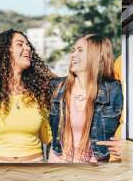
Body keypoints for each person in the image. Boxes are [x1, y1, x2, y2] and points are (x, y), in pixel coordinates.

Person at [0, 29, 54, 163]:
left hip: (34, 170)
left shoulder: (39, 92)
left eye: (28, 45)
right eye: (20, 44)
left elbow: (49, 137)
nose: (28, 48)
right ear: (6, 51)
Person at [48, 34, 123, 163]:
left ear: (98, 55)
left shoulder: (114, 90)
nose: (73, 55)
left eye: (80, 50)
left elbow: (131, 125)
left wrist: (126, 144)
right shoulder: (56, 87)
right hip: (58, 163)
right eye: (73, 50)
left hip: (96, 171)